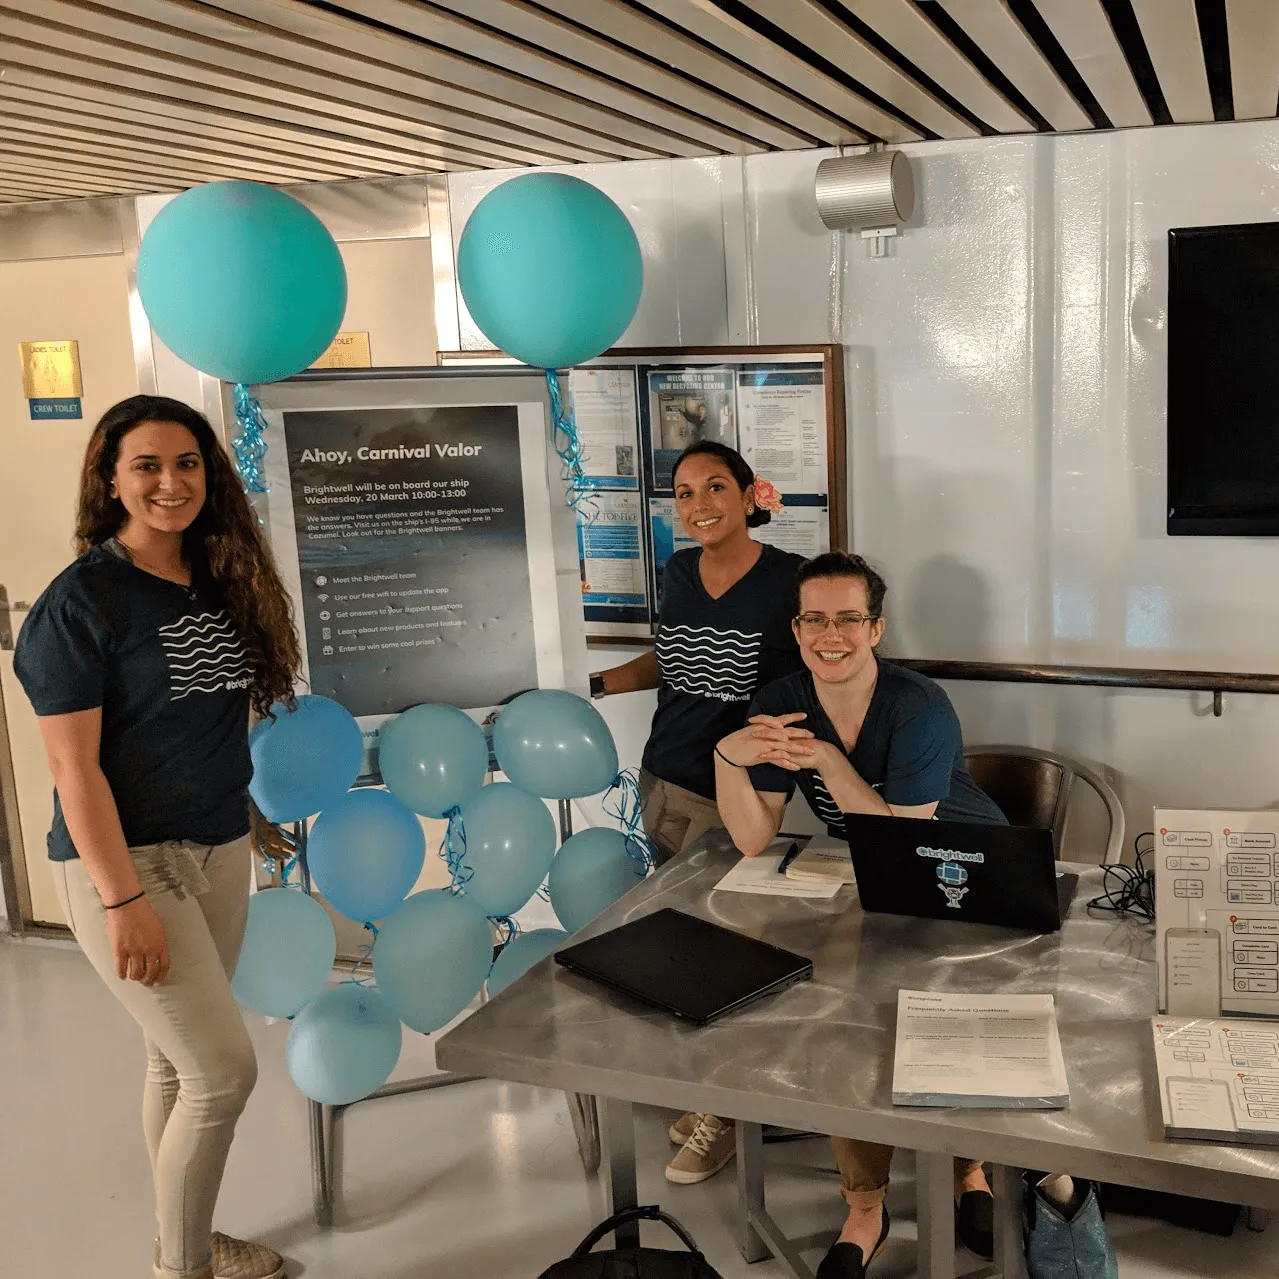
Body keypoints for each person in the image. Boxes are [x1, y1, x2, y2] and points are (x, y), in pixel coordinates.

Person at [14, 395, 302, 1279]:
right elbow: (77, 772)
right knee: (223, 1073)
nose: (170, 483)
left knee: (175, 1065)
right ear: (110, 478)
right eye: (147, 465)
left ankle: (186, 1234)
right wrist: (122, 899)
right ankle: (183, 1269)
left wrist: (243, 814)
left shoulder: (215, 576)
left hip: (215, 851)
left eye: (186, 463)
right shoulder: (80, 605)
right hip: (130, 867)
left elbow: (204, 719)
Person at [713, 551, 1005, 1279]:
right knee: (848, 1028)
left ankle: (971, 1171)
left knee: (951, 1024)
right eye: (815, 618)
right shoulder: (780, 695)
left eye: (848, 617)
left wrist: (828, 764)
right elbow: (753, 836)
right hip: (875, 876)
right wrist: (727, 754)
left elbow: (908, 842)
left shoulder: (918, 706)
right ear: (796, 626)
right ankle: (864, 1206)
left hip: (966, 873)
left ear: (875, 628)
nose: (830, 633)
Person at [589, 439, 804, 1185]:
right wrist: (596, 681)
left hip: (736, 797)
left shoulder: (789, 582)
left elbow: (806, 688)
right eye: (683, 493)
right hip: (662, 778)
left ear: (750, 496)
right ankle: (710, 1088)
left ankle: (726, 1115)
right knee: (677, 948)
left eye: (716, 487)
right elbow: (669, 659)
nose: (699, 504)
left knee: (728, 957)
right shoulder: (679, 572)